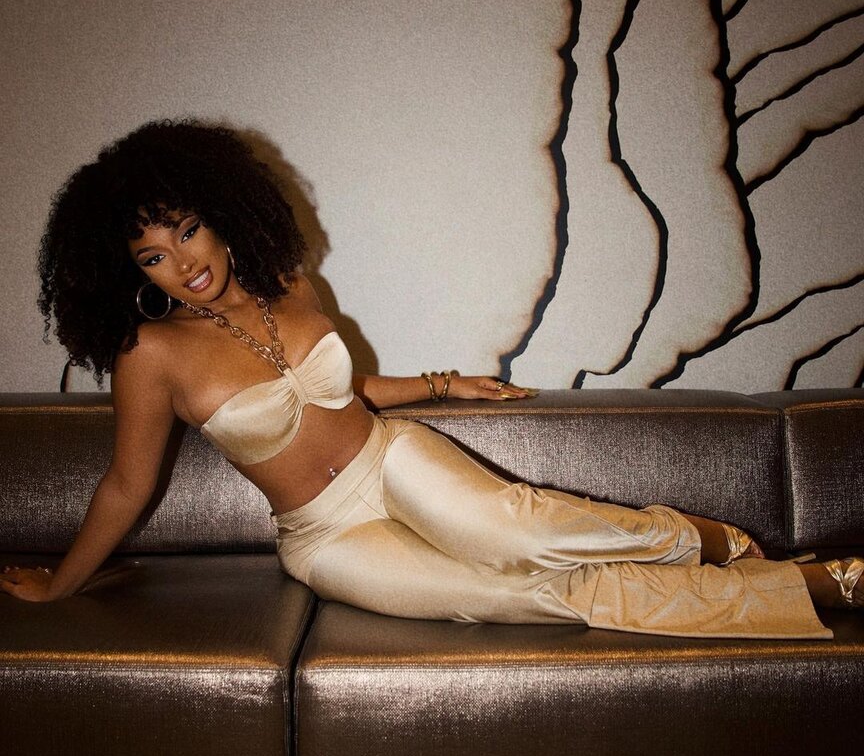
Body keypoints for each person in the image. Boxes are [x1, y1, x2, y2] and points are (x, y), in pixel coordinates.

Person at [2, 119, 861, 636]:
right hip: (324, 536)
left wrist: (446, 384)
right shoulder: (150, 356)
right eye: (152, 255)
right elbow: (126, 485)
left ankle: (697, 539)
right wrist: (59, 584)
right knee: (520, 597)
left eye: (187, 230)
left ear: (220, 216)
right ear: (131, 273)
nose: (182, 261)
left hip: (392, 460)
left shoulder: (290, 285)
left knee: (528, 535)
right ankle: (814, 586)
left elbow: (341, 394)